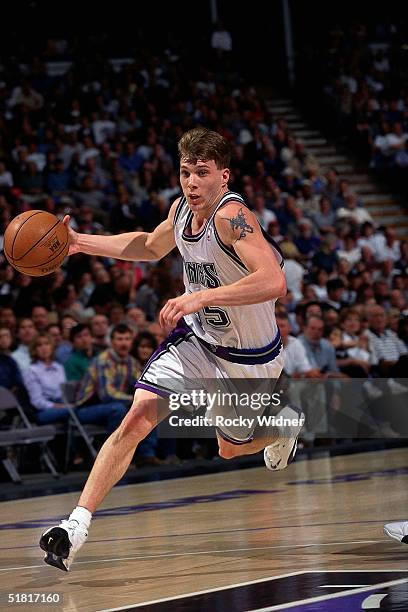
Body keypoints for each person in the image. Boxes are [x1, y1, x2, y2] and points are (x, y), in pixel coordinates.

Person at [40, 127, 303, 572]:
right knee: (136, 418)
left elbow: (273, 282)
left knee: (230, 449)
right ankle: (75, 526)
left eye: (202, 173)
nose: (192, 183)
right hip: (198, 342)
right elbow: (148, 244)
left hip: (250, 357)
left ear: (223, 176)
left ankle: (283, 429)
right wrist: (80, 242)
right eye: (185, 173)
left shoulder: (232, 216)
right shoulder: (181, 210)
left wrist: (200, 296)